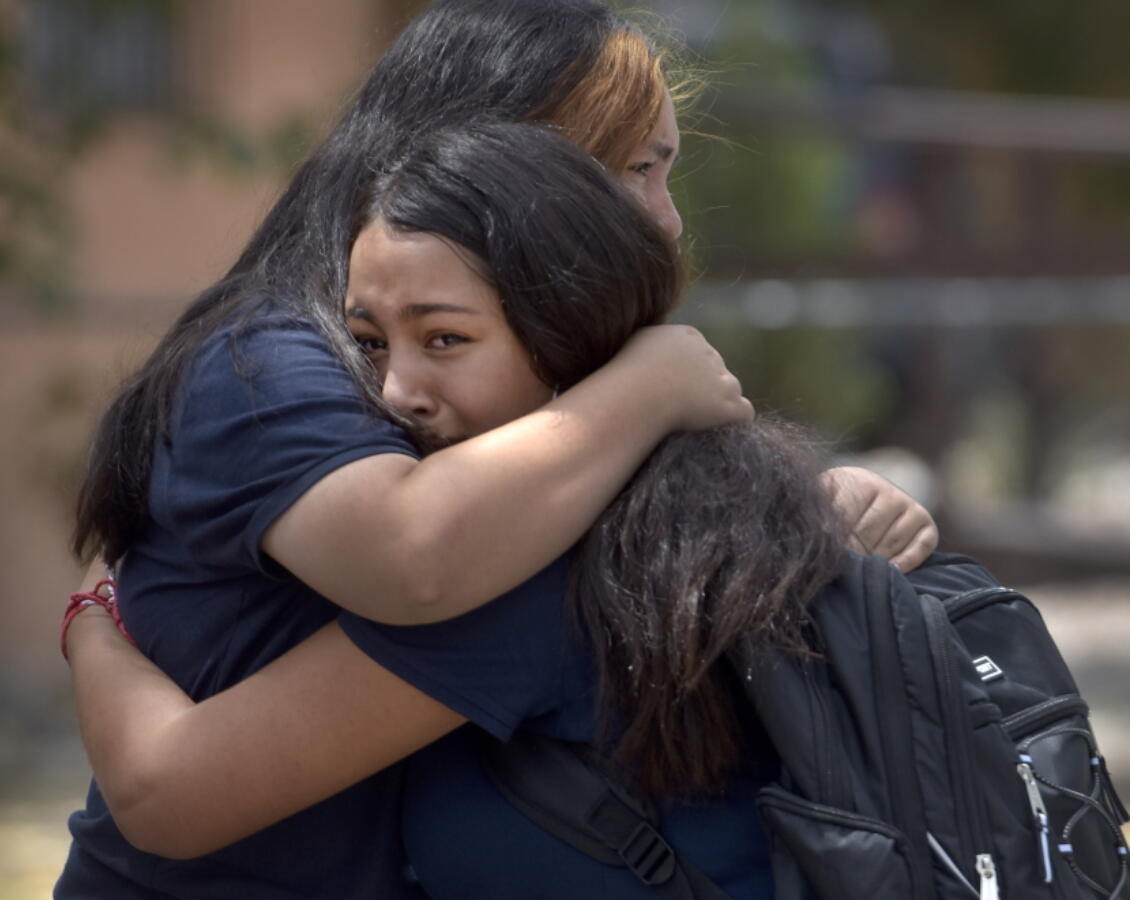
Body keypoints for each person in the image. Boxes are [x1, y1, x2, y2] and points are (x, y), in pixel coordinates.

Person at [59, 1, 936, 897]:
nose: (666, 223)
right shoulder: (272, 367)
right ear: (510, 174)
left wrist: (808, 512)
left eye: (443, 340)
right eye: (636, 171)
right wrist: (656, 381)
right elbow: (409, 553)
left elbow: (167, 786)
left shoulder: (542, 528)